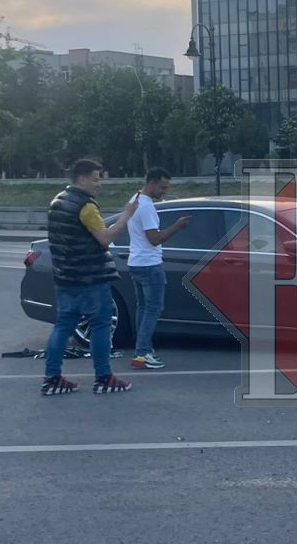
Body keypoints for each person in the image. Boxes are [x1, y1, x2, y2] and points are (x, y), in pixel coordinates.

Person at [41, 159, 138, 397]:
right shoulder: (86, 207)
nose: (99, 184)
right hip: (91, 278)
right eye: (96, 179)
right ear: (82, 179)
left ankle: (52, 378)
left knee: (63, 327)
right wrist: (126, 216)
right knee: (101, 326)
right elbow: (104, 238)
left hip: (66, 277)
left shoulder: (57, 201)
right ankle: (104, 377)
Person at [126, 168, 191, 370]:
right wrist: (177, 226)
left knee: (143, 308)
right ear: (152, 183)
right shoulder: (146, 207)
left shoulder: (134, 199)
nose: (164, 191)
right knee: (153, 309)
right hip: (149, 264)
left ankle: (143, 349)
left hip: (135, 262)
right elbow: (154, 239)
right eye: (162, 187)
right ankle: (143, 352)